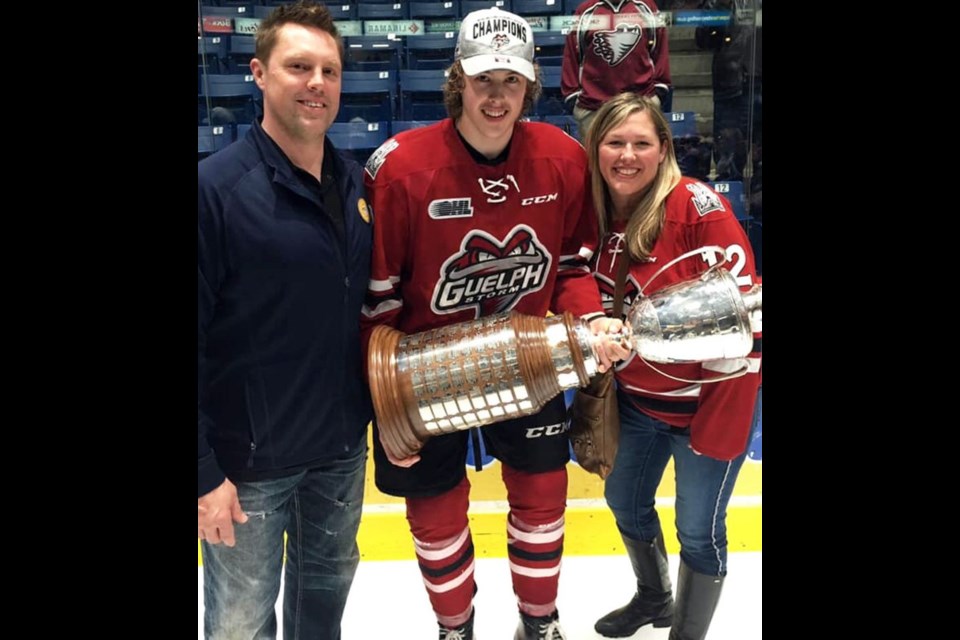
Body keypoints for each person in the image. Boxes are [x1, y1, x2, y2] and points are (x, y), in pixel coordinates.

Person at [360, 8, 628, 640]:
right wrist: (389, 402)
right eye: (484, 79)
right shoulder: (399, 168)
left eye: (511, 80)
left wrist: (589, 321)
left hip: (528, 356)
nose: (497, 95)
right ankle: (456, 627)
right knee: (436, 509)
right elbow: (377, 303)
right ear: (459, 78)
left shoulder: (563, 159)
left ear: (531, 84)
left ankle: (539, 621)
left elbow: (569, 265)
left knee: (542, 495)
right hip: (426, 369)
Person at [197, 2, 373, 638]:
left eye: (329, 69)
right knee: (240, 626)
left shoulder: (357, 187)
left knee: (322, 614)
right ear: (259, 74)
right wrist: (204, 477)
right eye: (298, 66)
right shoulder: (215, 190)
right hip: (246, 469)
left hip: (340, 453)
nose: (317, 82)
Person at [583, 93, 761, 640]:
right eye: (615, 142)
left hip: (705, 406)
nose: (627, 155)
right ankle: (655, 599)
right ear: (596, 150)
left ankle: (687, 634)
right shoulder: (594, 215)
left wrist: (722, 423)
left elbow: (748, 315)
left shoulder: (697, 209)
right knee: (624, 500)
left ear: (664, 149)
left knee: (698, 531)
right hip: (638, 405)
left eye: (642, 143)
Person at [561, 0, 671, 140]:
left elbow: (660, 50)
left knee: (639, 158)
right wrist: (575, 98)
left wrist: (657, 93)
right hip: (594, 107)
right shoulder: (585, 11)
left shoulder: (647, 7)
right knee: (596, 161)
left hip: (641, 103)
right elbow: (572, 56)